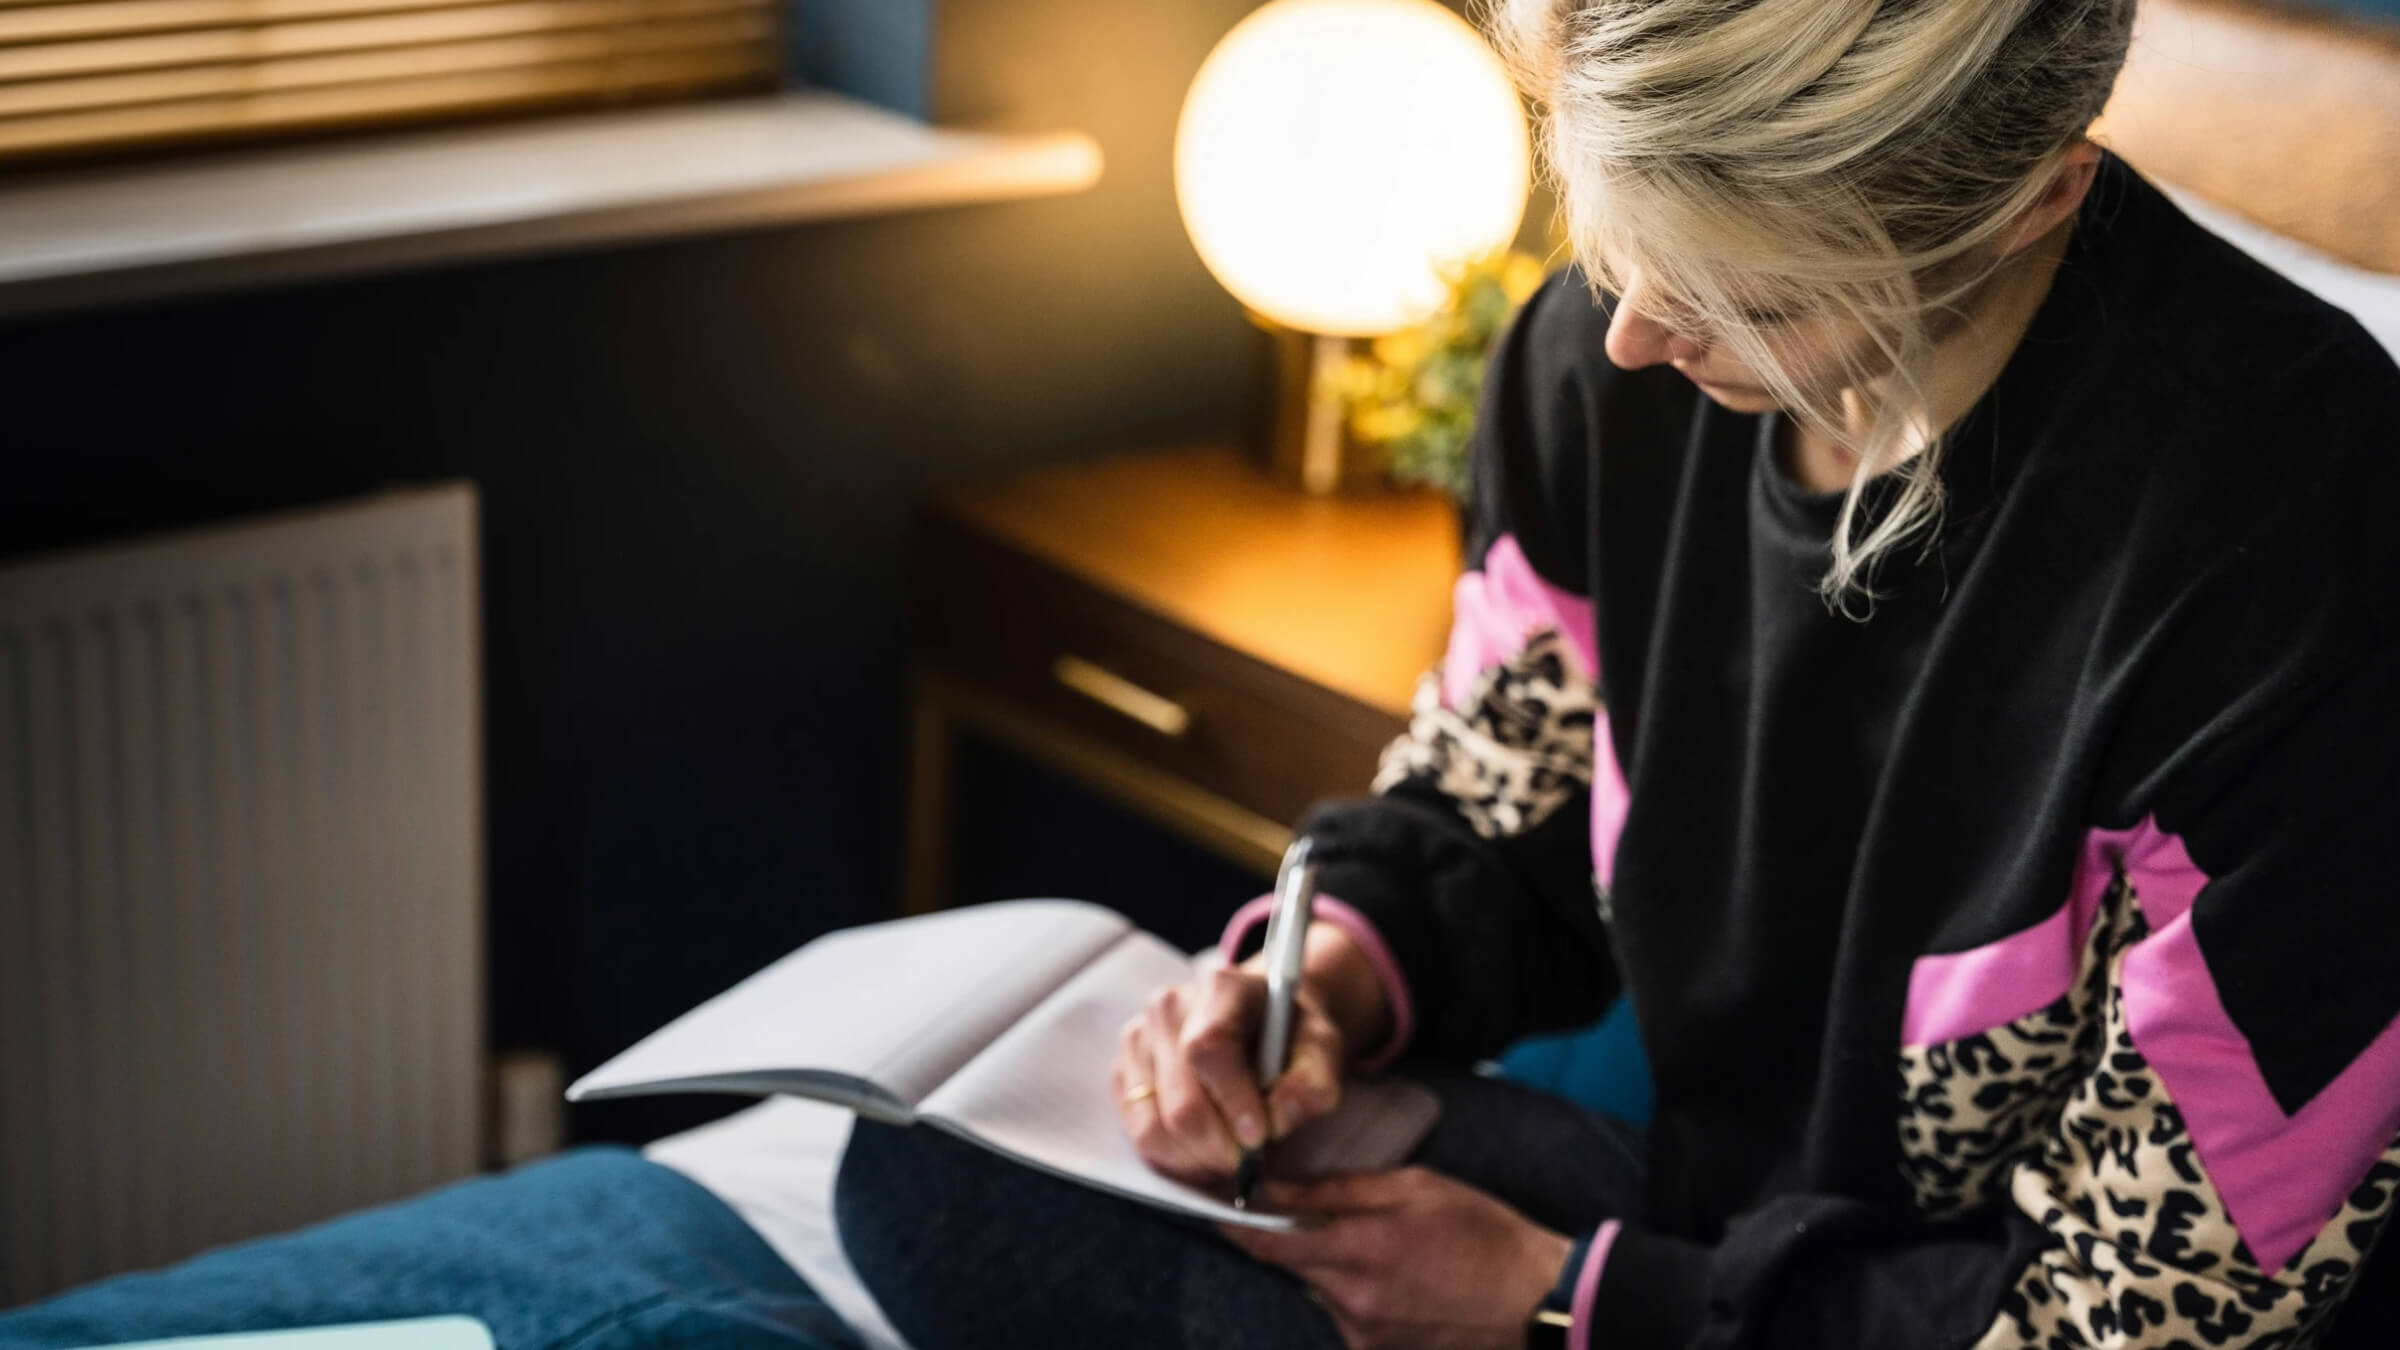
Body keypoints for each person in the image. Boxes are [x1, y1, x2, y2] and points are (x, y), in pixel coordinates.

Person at [835, 0, 2400, 1345]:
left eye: (1742, 291)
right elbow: (1492, 804)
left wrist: (1565, 1303)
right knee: (933, 1172)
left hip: (1972, 1306)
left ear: (2028, 204)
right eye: (1616, 240)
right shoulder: (1599, 361)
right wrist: (1329, 975)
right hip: (1717, 1244)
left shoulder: (2293, 539)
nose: (1637, 336)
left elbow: (2146, 1311)